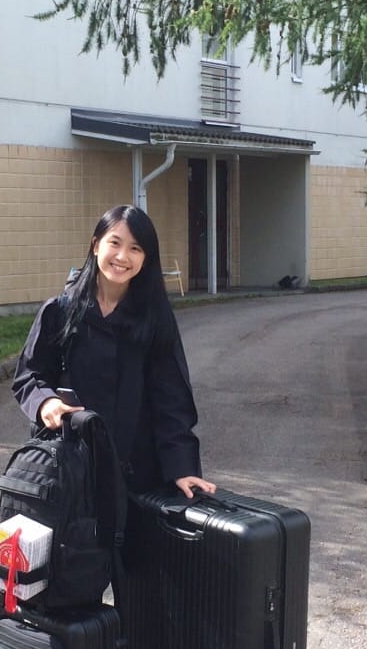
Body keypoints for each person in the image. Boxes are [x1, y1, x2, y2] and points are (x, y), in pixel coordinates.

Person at [12, 205, 216, 499]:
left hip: (136, 474)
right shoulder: (60, 311)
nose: (122, 257)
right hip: (69, 468)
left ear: (146, 259)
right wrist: (46, 402)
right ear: (96, 245)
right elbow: (30, 374)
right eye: (115, 243)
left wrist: (181, 466)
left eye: (135, 248)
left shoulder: (154, 320)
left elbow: (171, 398)